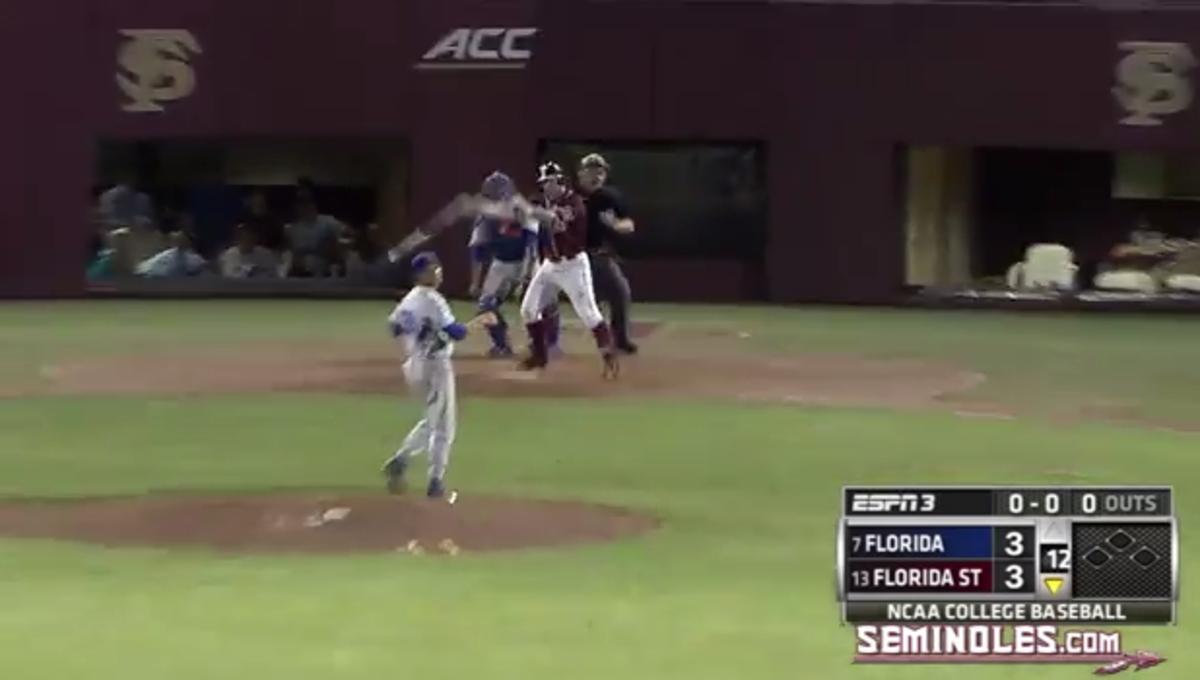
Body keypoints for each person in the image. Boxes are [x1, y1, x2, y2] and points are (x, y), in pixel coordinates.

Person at [381, 252, 494, 498]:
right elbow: (456, 332)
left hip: (414, 366)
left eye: (438, 269)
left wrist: (417, 329)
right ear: (422, 273)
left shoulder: (409, 299)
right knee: (440, 424)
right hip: (436, 367)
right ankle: (403, 460)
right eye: (434, 269)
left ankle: (435, 481)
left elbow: (393, 327)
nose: (439, 273)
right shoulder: (433, 300)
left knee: (438, 421)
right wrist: (480, 321)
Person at [516, 162, 618, 378]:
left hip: (573, 266)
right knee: (528, 310)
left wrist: (533, 212)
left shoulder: (574, 203)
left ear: (560, 181)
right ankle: (540, 356)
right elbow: (527, 214)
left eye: (551, 182)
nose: (547, 187)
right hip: (550, 265)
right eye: (544, 183)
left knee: (589, 314)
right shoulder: (541, 200)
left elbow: (556, 222)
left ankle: (609, 358)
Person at [467, 171, 538, 357]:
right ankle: (502, 344)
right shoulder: (485, 216)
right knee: (486, 305)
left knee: (537, 301)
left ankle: (543, 343)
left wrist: (526, 277)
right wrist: (475, 282)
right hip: (501, 262)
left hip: (526, 260)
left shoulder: (522, 210)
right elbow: (478, 251)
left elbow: (532, 247)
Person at [576, 153, 639, 354]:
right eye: (591, 170)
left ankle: (619, 339)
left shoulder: (609, 197)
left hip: (598, 256)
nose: (596, 175)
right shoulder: (570, 196)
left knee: (620, 292)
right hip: (569, 257)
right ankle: (542, 341)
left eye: (600, 171)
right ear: (581, 173)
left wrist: (615, 225)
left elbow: (629, 224)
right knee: (546, 294)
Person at [283, 189, 344, 277]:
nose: (305, 208)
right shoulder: (292, 228)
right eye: (301, 205)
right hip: (299, 273)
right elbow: (288, 253)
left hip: (324, 271)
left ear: (314, 205)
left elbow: (343, 241)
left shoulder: (329, 222)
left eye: (308, 204)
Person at [135, 230, 207, 278]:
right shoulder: (166, 254)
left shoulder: (194, 258)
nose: (180, 241)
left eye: (183, 239)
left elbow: (201, 266)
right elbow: (143, 268)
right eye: (179, 238)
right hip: (156, 281)